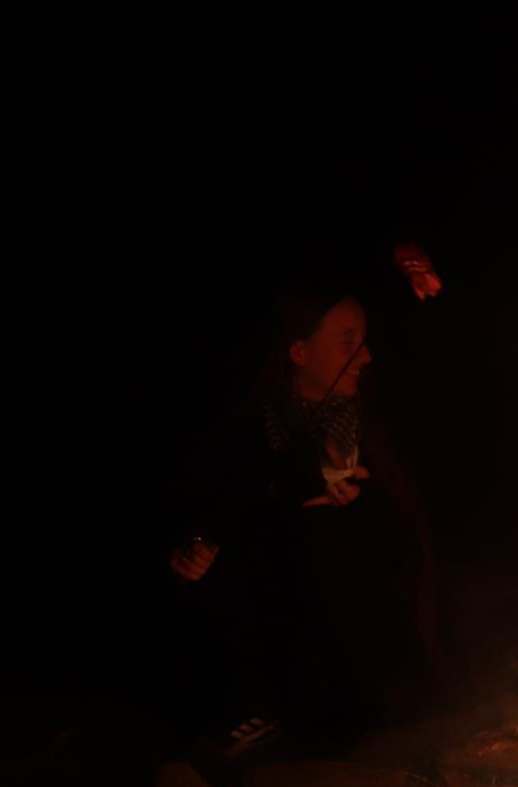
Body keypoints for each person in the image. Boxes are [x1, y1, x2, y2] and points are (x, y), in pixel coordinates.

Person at [168, 258, 438, 748]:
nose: (365, 356)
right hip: (281, 637)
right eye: (347, 341)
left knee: (330, 531)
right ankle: (260, 711)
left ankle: (362, 716)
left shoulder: (371, 427)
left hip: (368, 646)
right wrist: (197, 547)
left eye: (363, 339)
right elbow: (221, 506)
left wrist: (366, 498)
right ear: (298, 350)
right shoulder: (254, 427)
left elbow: (410, 542)